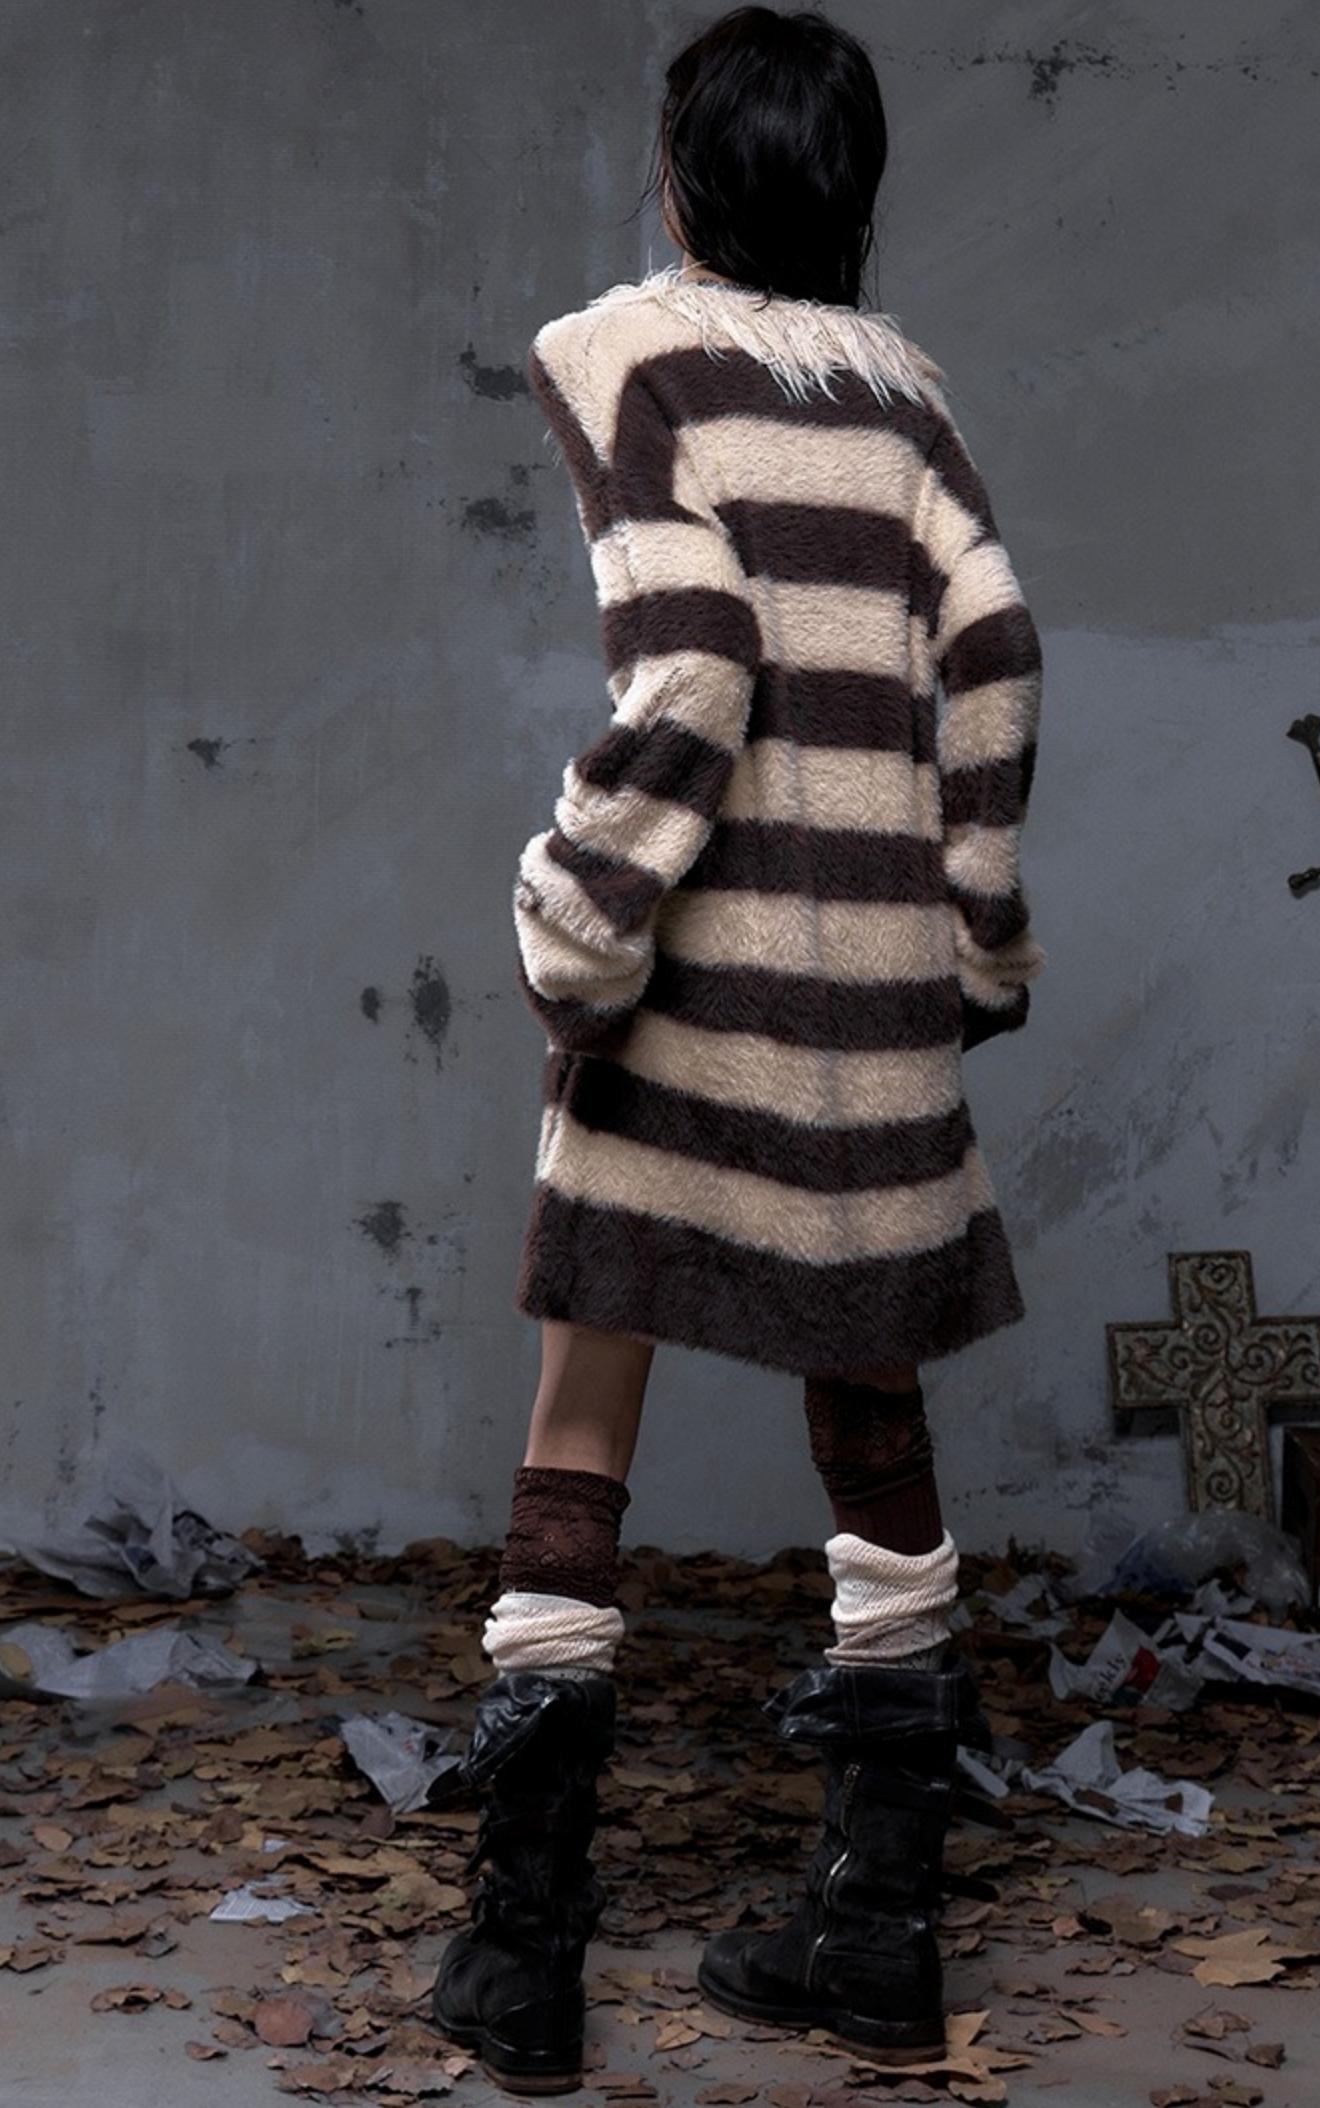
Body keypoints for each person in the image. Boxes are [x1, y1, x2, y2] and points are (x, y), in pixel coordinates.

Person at [431, 5, 1047, 2093]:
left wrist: (578, 913)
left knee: (580, 1416)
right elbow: (994, 648)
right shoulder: (905, 401)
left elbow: (689, 657)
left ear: (684, 173)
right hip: (870, 1012)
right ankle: (876, 1942)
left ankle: (523, 1961)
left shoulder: (626, 354)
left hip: (691, 990)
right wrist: (972, 933)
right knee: (872, 1431)